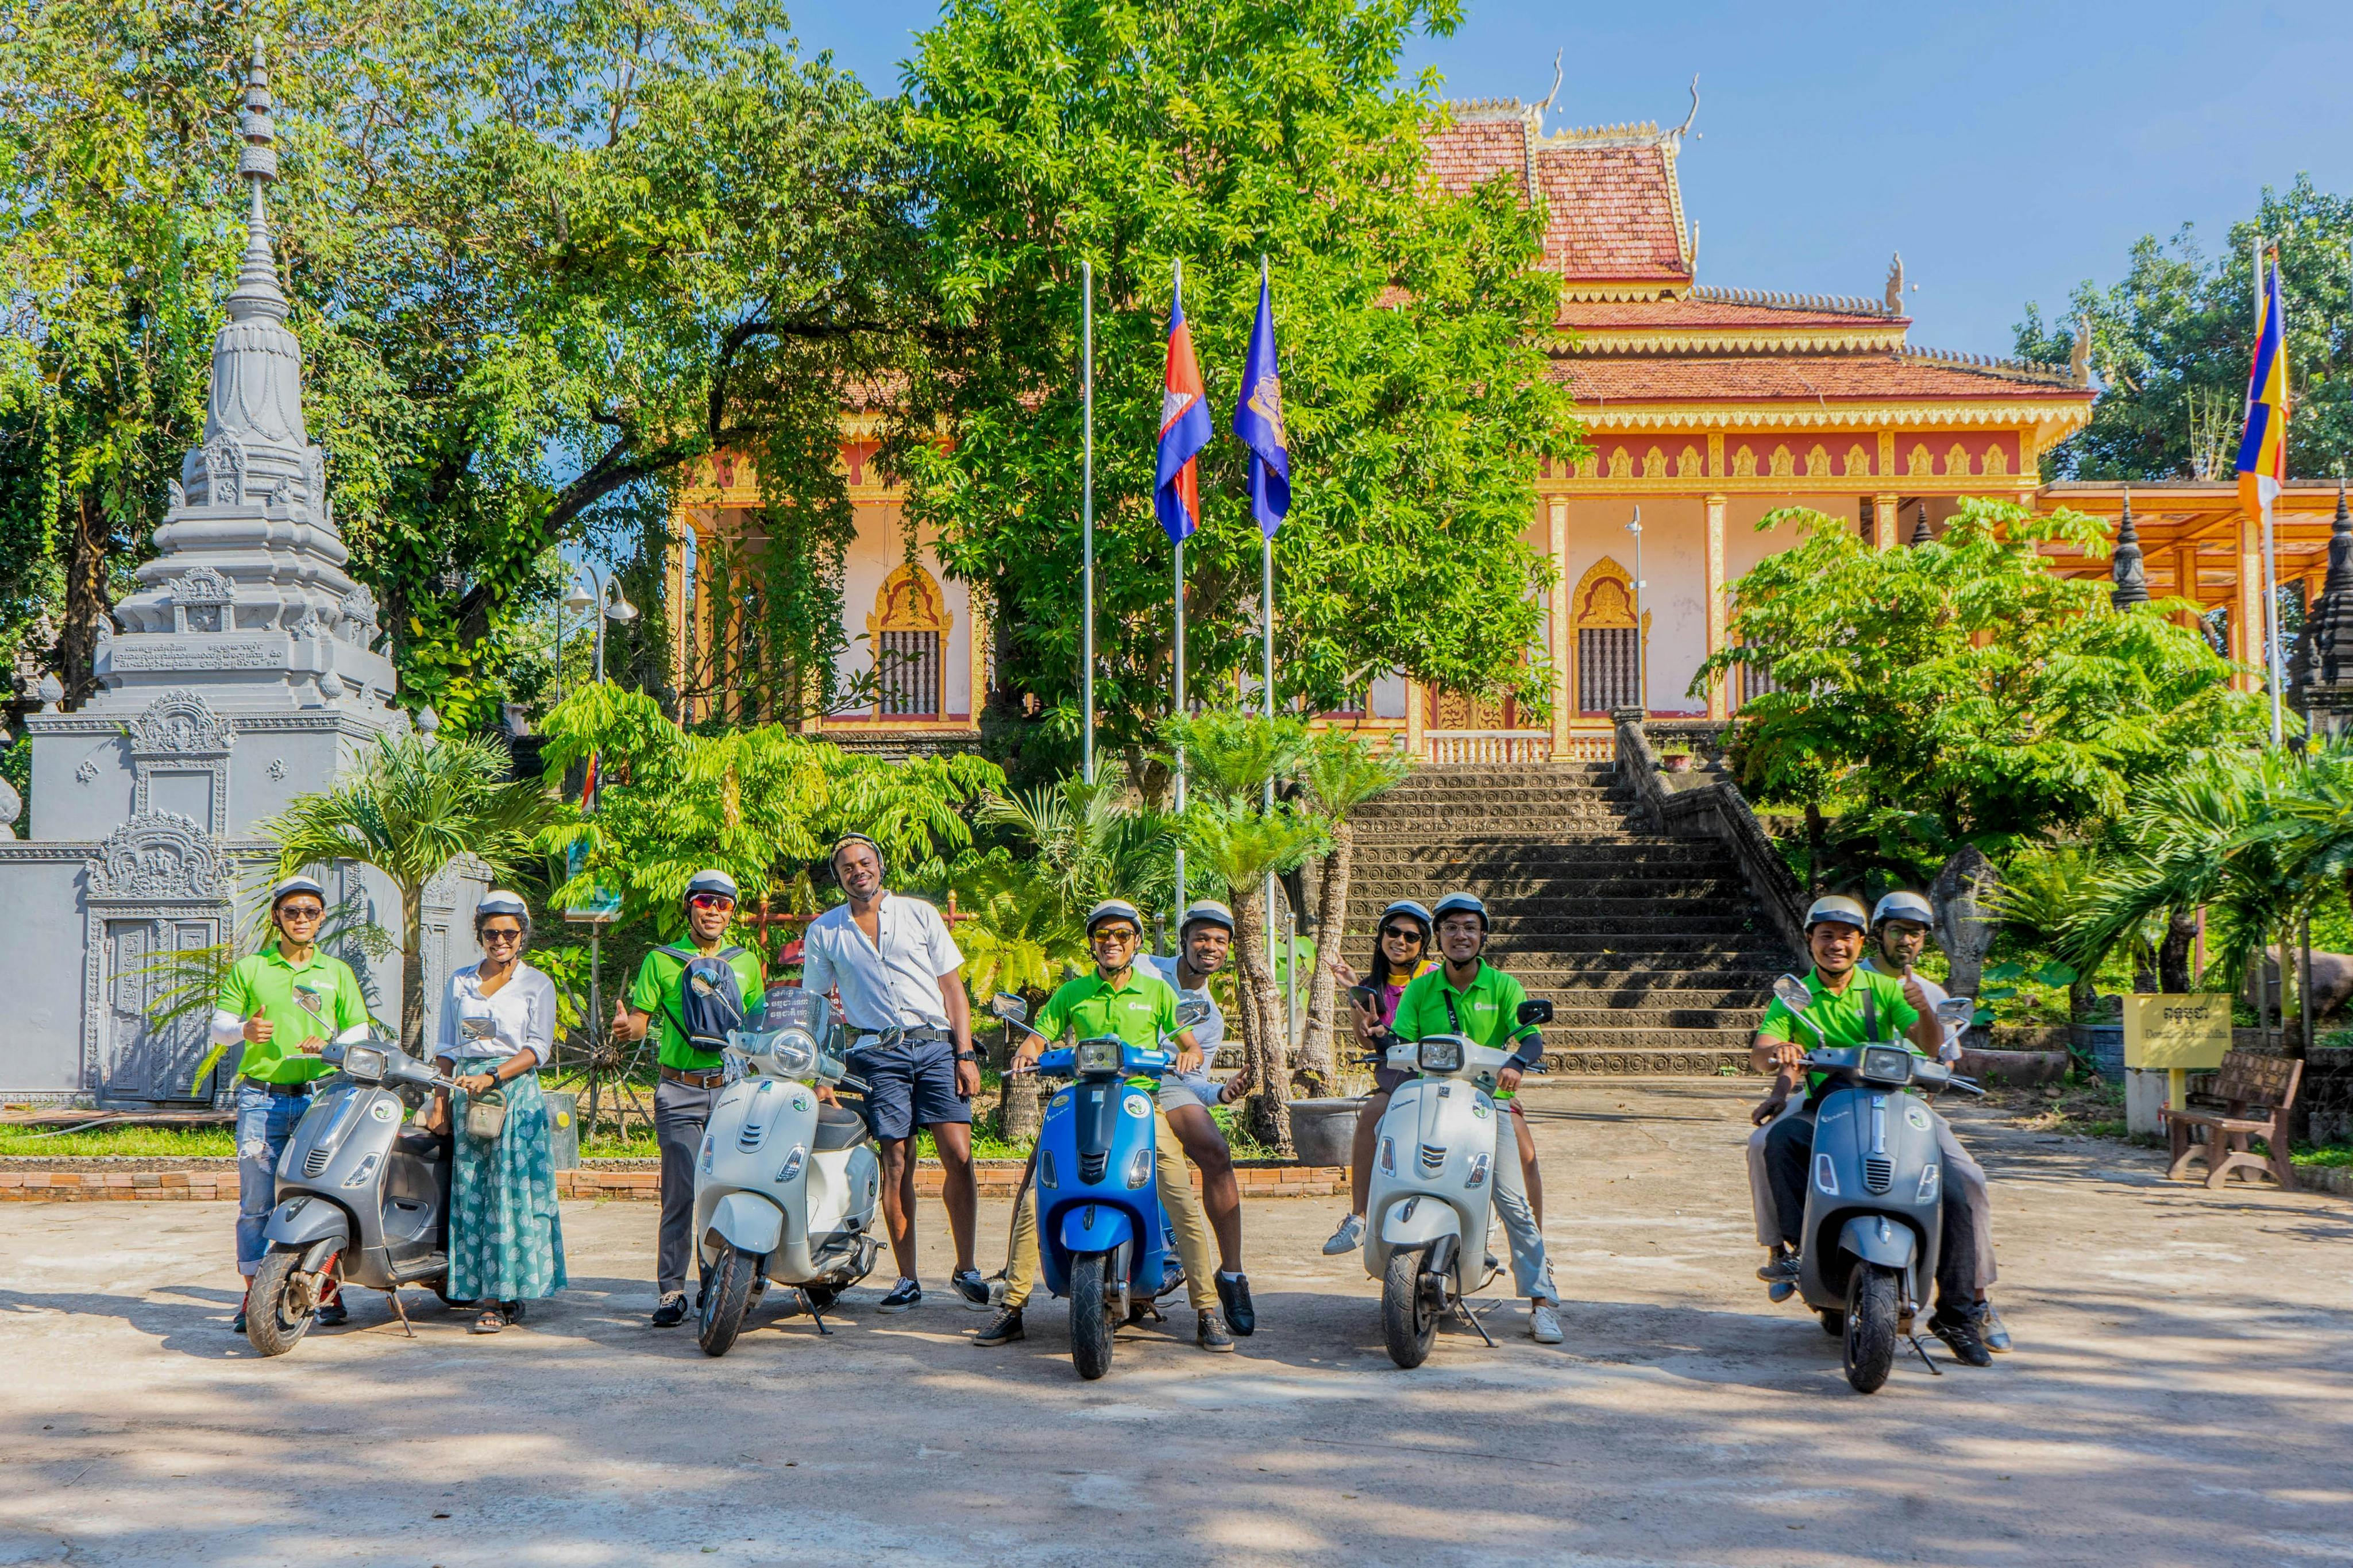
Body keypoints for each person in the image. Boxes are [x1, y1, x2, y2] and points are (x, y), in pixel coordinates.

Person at [973, 900, 1239, 1353]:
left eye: (1121, 935)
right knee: (1037, 1197)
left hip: (1140, 1102)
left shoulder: (1158, 994)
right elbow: (1042, 1035)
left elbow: (1187, 1040)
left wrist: (1188, 1054)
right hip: (1080, 1100)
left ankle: (1207, 1309)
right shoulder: (1072, 993)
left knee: (1178, 1195)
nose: (1111, 942)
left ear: (1136, 942)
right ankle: (1013, 1306)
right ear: (1093, 944)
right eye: (1102, 936)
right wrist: (1028, 1052)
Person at [1751, 893, 1993, 1366]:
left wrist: (1923, 1009)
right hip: (1831, 1107)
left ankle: (1960, 1313)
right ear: (1810, 941)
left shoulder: (1884, 990)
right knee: (1779, 1141)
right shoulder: (1794, 996)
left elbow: (1929, 1046)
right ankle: (1799, 1250)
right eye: (1826, 936)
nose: (1836, 946)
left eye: (1846, 937)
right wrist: (1778, 1058)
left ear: (1862, 942)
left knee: (1959, 1186)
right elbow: (1765, 1048)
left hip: (1897, 1105)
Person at [799, 833, 987, 1313]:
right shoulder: (826, 931)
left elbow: (953, 989)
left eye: (865, 862)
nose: (858, 871)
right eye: (847, 867)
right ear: (838, 877)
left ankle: (966, 1269)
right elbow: (820, 1007)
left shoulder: (920, 913)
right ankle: (907, 1278)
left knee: (958, 1154)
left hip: (935, 1046)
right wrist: (823, 1072)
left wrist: (964, 1054)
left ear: (880, 867)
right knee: (897, 1161)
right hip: (877, 1054)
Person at [1384, 891, 1565, 1345]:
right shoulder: (1421, 989)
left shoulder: (1503, 987)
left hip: (1489, 1102)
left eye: (1469, 928)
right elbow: (1400, 1042)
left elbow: (1531, 1040)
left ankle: (1542, 1301)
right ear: (1438, 937)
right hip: (1431, 1097)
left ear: (1482, 935)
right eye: (1450, 928)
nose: (1460, 936)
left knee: (1510, 1198)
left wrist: (1517, 1064)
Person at [210, 874, 375, 1333]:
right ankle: (253, 1296)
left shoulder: (336, 973)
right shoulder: (251, 969)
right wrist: (242, 1031)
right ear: (276, 917)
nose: (302, 919)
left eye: (311, 912)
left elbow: (359, 1033)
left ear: (322, 918)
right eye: (292, 911)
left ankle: (325, 1291)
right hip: (261, 1099)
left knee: (327, 1196)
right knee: (257, 1204)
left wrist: (330, 1045)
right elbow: (219, 1026)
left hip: (323, 1099)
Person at [612, 868, 766, 1327]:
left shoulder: (747, 962)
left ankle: (719, 1283)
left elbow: (755, 1026)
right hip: (678, 1089)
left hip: (730, 1090)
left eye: (724, 904)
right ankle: (672, 1291)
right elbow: (640, 1021)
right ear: (689, 906)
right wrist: (627, 1029)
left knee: (725, 1191)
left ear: (732, 912)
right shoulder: (661, 960)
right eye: (705, 902)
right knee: (680, 1193)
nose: (714, 911)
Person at [1858, 890, 2009, 1353]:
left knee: (1968, 1179)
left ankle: (1973, 1301)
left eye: (1916, 933)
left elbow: (1942, 1061)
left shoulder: (1933, 993)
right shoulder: (1850, 980)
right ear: (1878, 934)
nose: (1906, 940)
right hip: (1845, 1098)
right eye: (1898, 930)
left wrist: (1924, 1011)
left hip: (1908, 1107)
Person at [424, 891, 567, 1334]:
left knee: (510, 1192)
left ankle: (499, 1296)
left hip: (513, 1095)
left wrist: (494, 1076)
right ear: (479, 935)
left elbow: (537, 1048)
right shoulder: (460, 982)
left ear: (522, 935)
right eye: (491, 933)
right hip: (467, 1092)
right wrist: (439, 1100)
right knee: (471, 1192)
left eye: (509, 933)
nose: (500, 941)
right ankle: (475, 1287)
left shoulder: (537, 984)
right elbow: (447, 1047)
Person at [1137, 899, 1256, 1331]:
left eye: (1220, 941)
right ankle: (1014, 1282)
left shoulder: (1210, 1015)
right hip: (1114, 1073)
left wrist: (1221, 1093)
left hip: (1164, 1086)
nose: (1211, 946)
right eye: (1202, 937)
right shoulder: (1145, 967)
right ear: (1184, 939)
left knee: (1215, 1151)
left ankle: (1232, 1274)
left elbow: (1195, 1081)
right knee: (1044, 1153)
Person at [1319, 899, 1440, 1254]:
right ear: (1381, 936)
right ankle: (1359, 1216)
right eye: (1393, 932)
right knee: (1371, 1114)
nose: (1400, 941)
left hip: (1437, 1078)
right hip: (1396, 1081)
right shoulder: (1373, 985)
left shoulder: (1434, 978)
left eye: (1411, 936)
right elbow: (1363, 1037)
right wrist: (1353, 991)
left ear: (1423, 945)